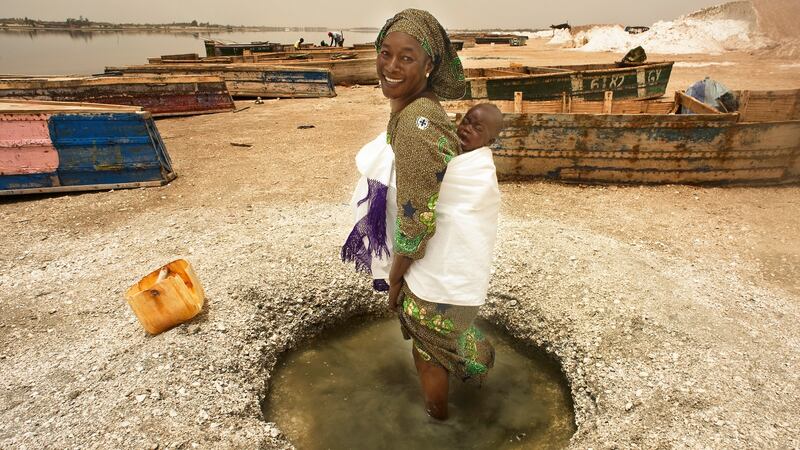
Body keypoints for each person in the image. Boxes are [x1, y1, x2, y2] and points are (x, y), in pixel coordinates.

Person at [341, 9, 498, 421]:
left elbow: (418, 218)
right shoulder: (416, 108)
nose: (391, 66)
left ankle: (440, 422)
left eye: (407, 57)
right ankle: (471, 362)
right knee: (432, 338)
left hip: (436, 263)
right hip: (441, 259)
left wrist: (395, 275)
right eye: (386, 53)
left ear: (429, 65)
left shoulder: (416, 122)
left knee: (428, 354)